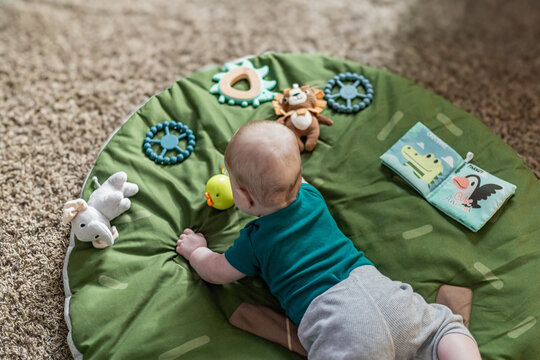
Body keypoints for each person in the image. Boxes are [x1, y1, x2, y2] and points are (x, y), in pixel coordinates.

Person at [176, 120, 481, 360]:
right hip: (383, 295)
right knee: (443, 329)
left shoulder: (255, 240)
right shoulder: (310, 195)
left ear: (242, 196)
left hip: (338, 320)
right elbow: (290, 175)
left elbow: (216, 271)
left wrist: (196, 251)